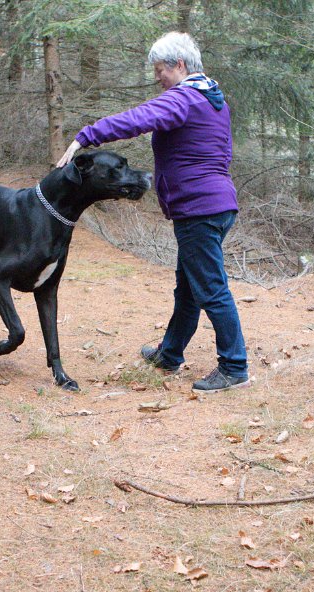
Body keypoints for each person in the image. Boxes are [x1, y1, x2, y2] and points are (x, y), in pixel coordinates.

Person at [56, 31, 249, 393]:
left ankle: (234, 366)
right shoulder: (211, 98)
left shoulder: (185, 98)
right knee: (190, 287)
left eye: (160, 69)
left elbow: (140, 118)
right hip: (216, 203)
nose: (157, 77)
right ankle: (170, 354)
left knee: (210, 288)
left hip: (200, 209)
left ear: (179, 65)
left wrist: (88, 135)